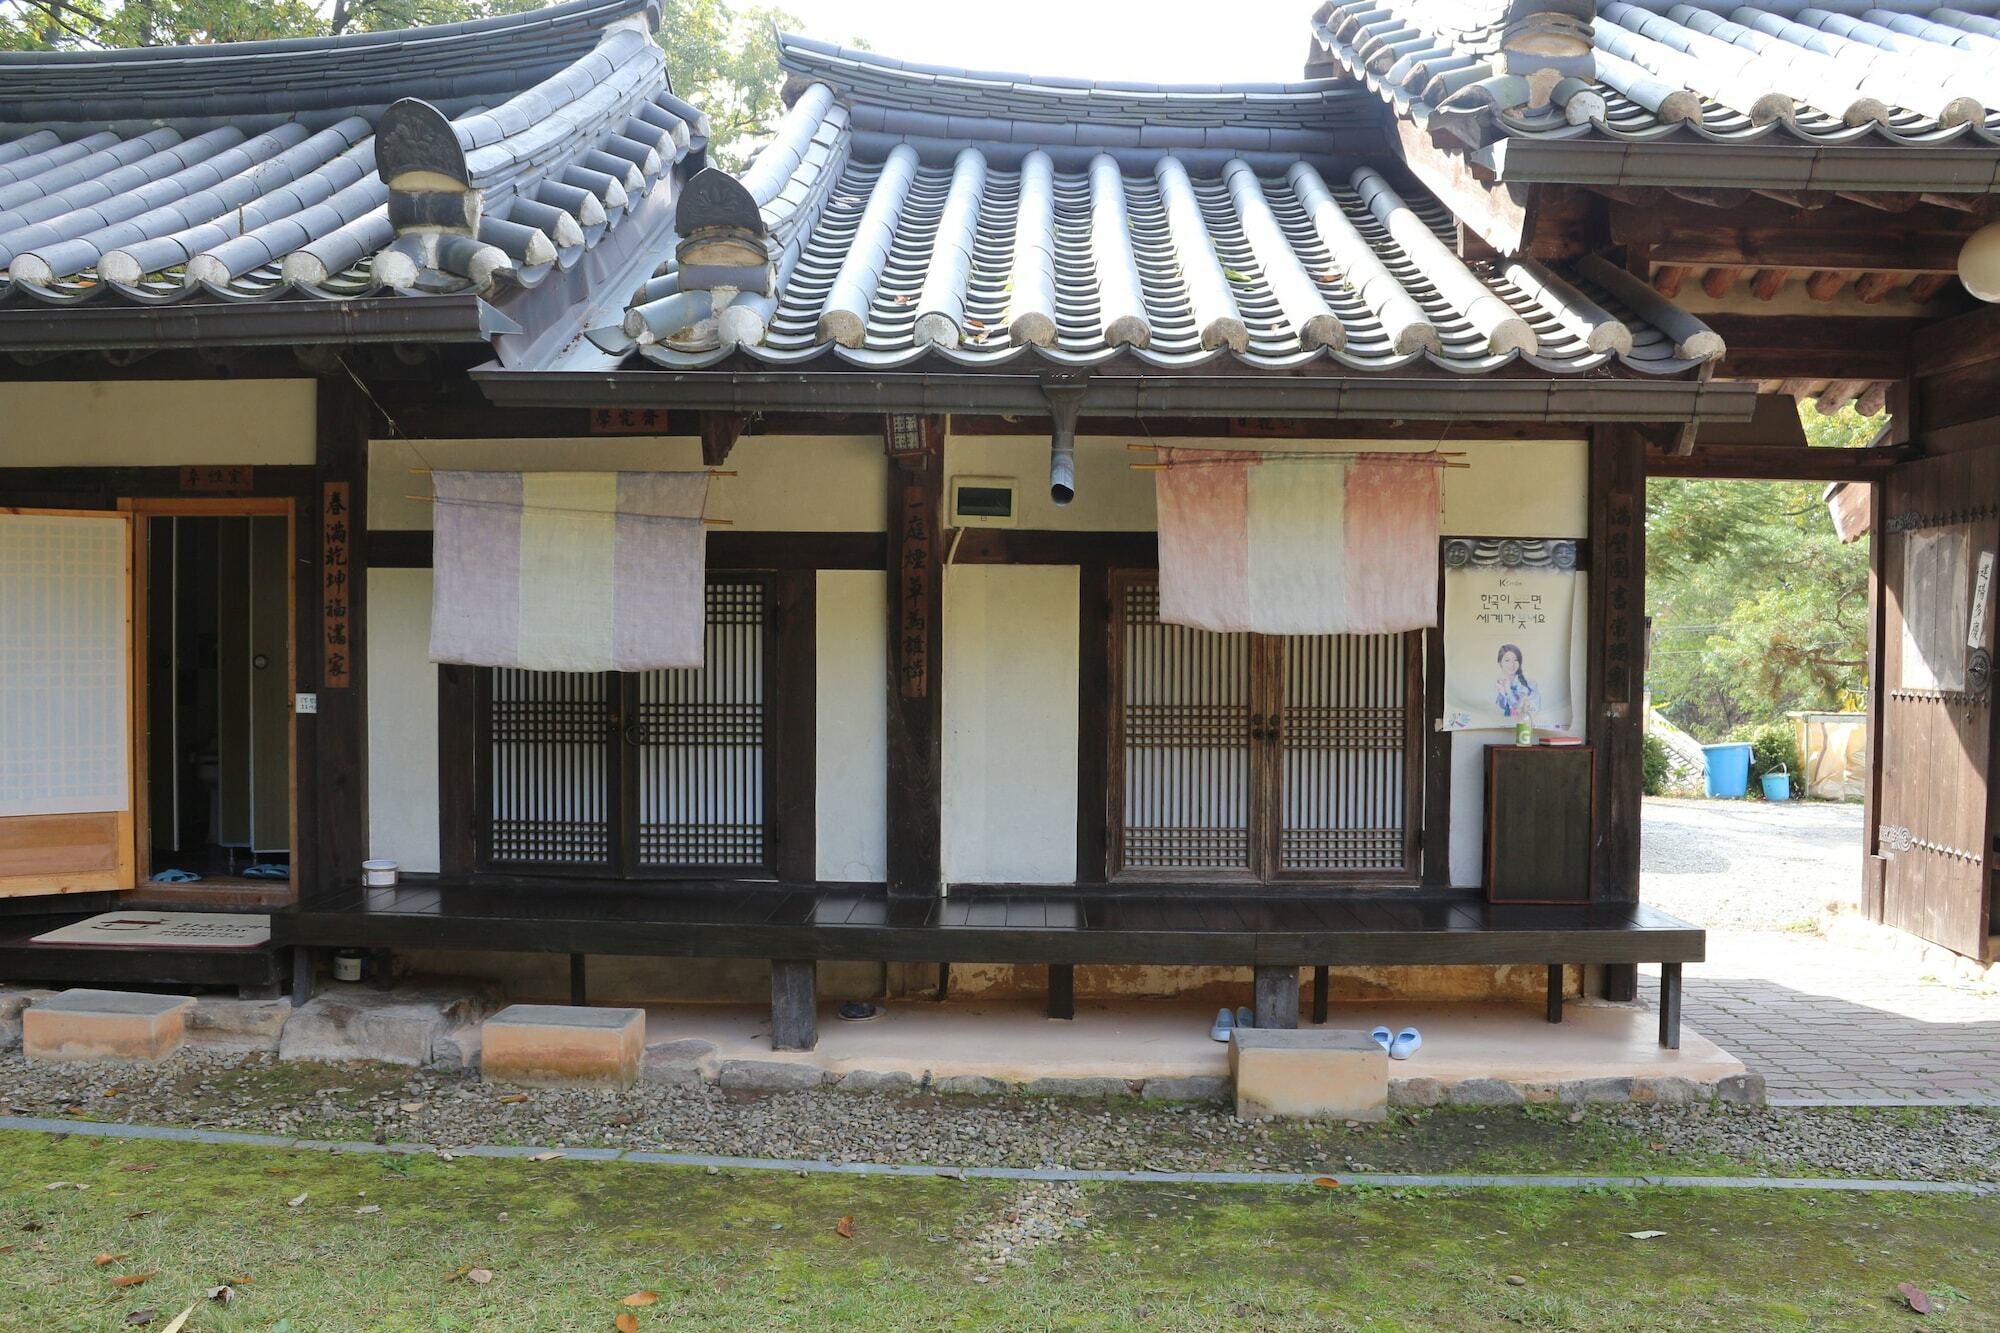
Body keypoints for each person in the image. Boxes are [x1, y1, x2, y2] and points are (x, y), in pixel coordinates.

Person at [1494, 643, 1541, 719]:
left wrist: (1508, 690)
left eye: (1515, 660)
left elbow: (1532, 711)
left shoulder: (1530, 685)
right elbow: (1498, 711)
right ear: (1500, 663)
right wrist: (1503, 692)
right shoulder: (1499, 684)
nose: (1512, 664)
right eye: (1507, 660)